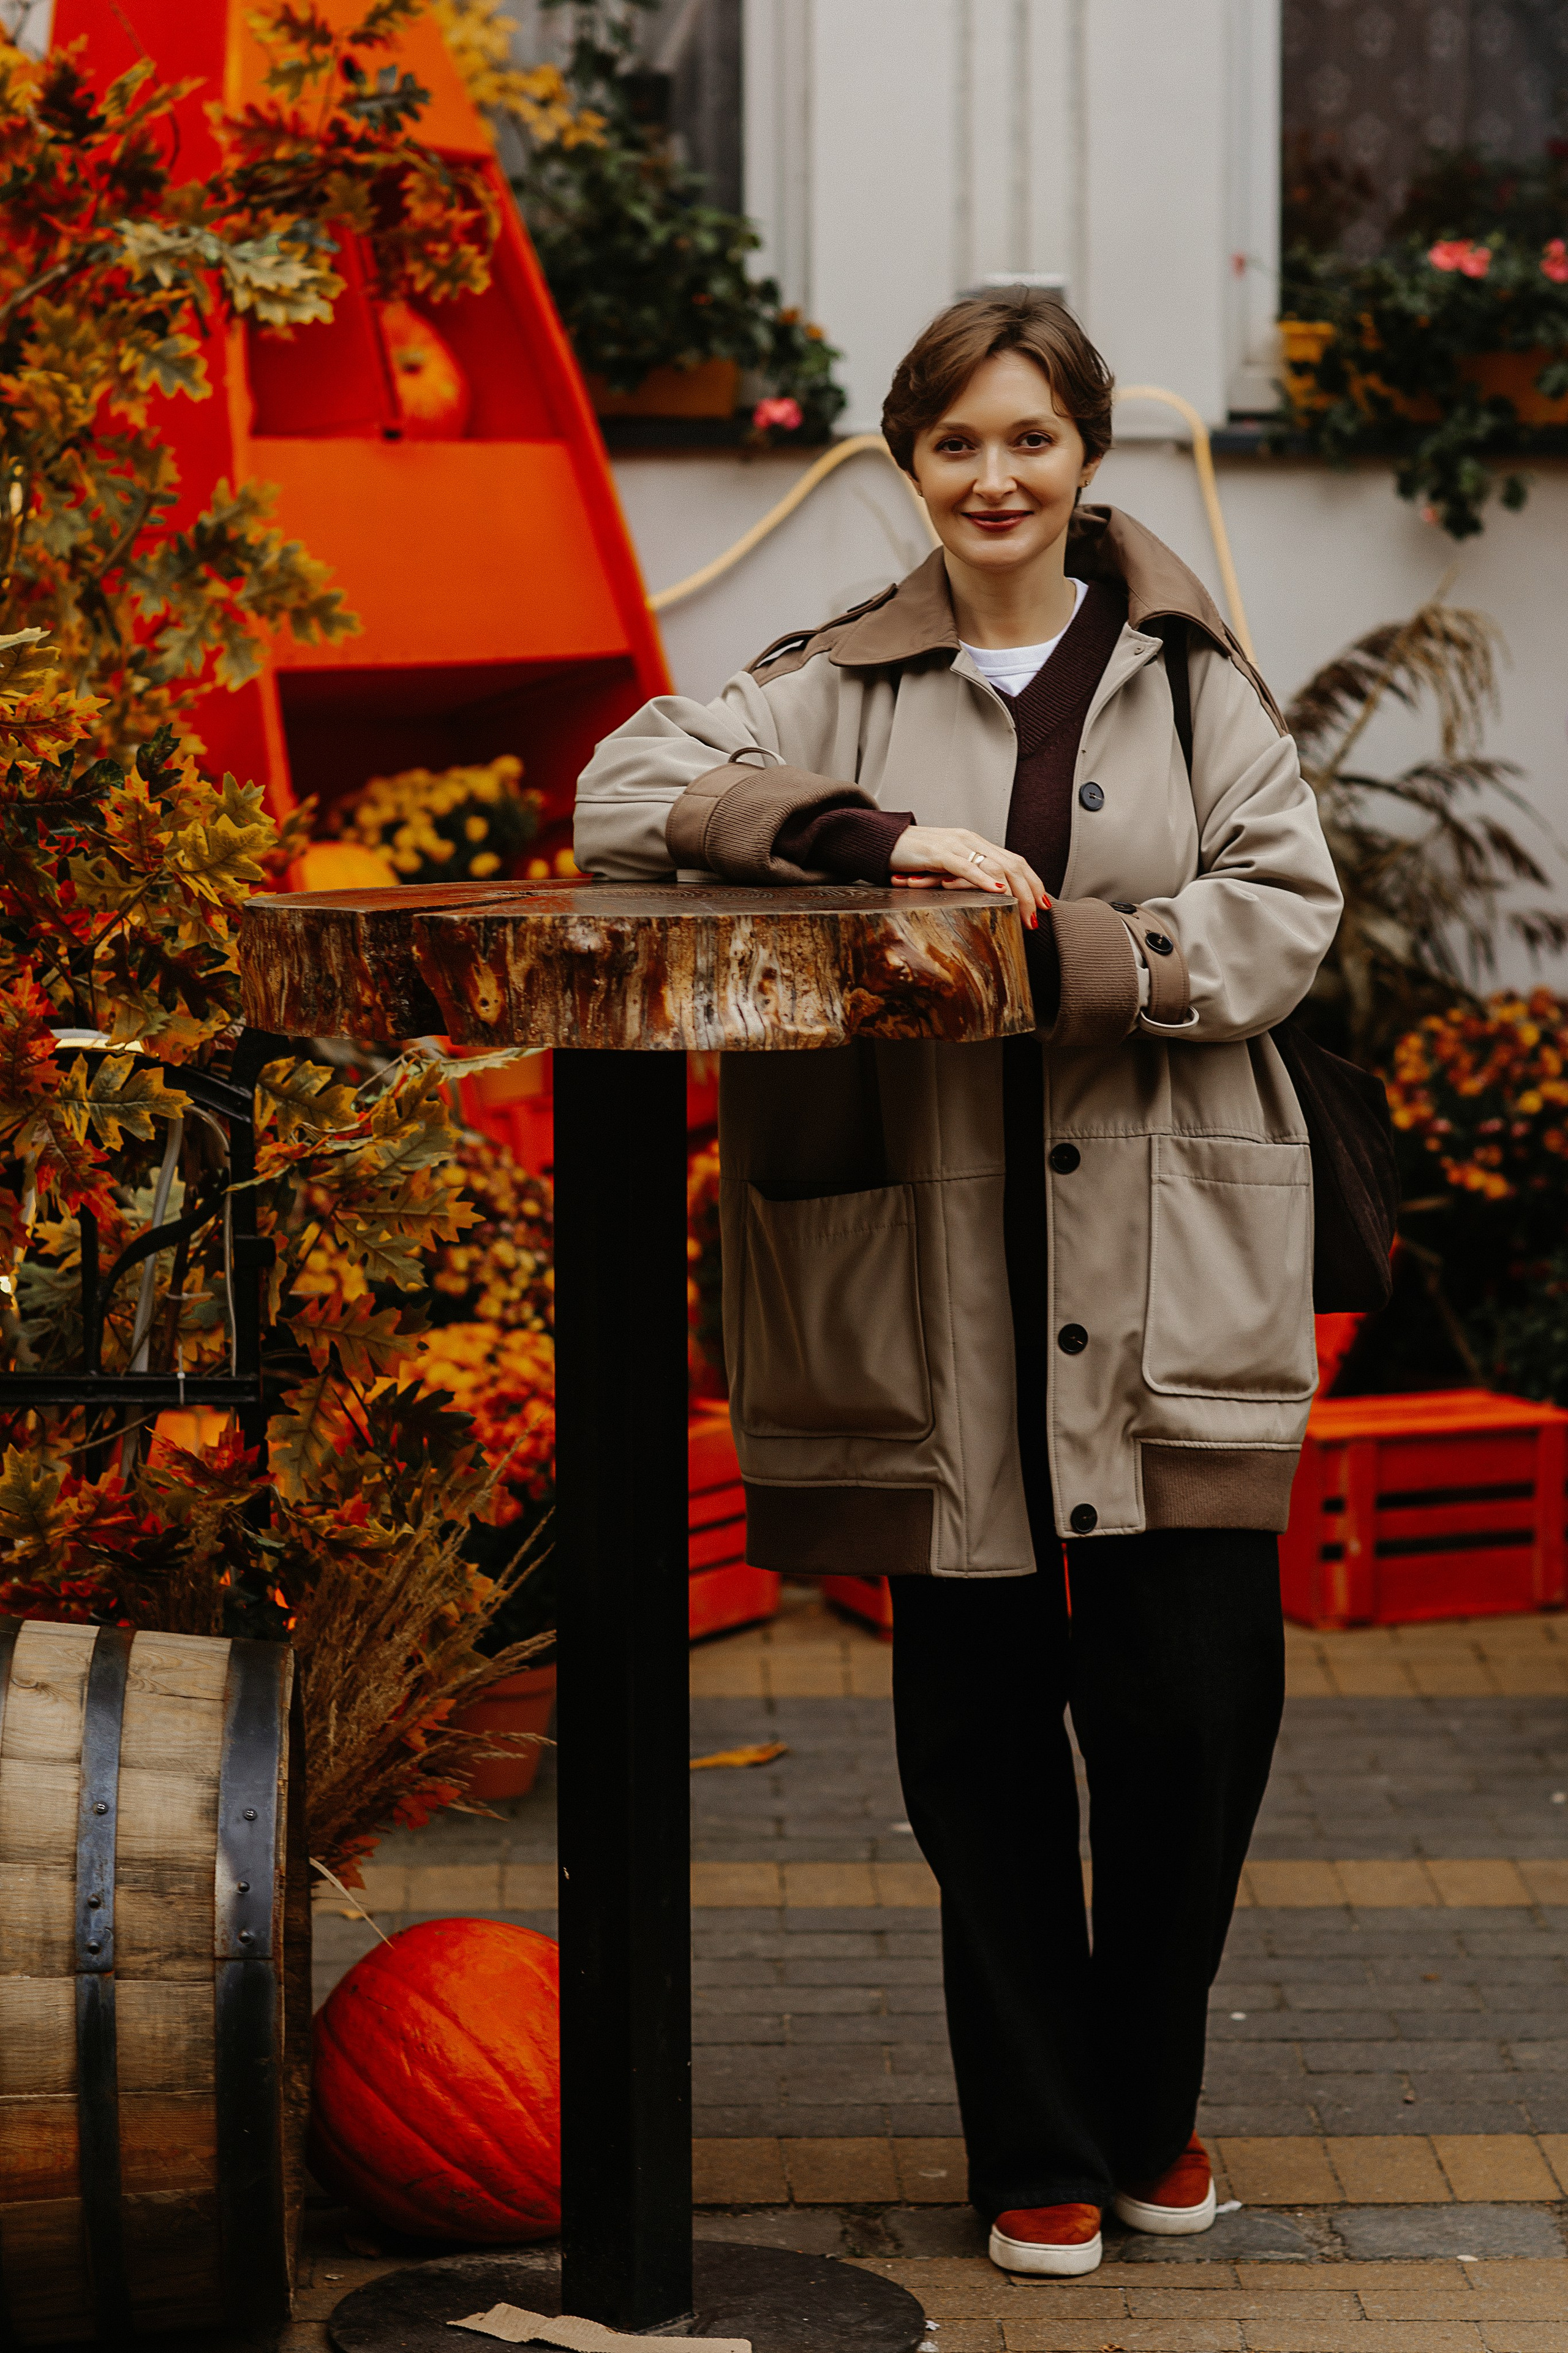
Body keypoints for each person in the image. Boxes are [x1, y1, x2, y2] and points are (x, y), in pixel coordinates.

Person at [575, 291, 1341, 2279]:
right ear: (909, 464)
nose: (996, 478)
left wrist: (1078, 958)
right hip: (936, 1292)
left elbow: (1285, 910)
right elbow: (624, 792)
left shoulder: (1191, 678)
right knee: (977, 1732)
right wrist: (867, 836)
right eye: (956, 444)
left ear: (1086, 454)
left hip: (1164, 1274)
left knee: (1195, 1715)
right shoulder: (831, 677)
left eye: (1030, 438)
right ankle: (1036, 2143)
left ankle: (1145, 2098)